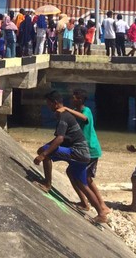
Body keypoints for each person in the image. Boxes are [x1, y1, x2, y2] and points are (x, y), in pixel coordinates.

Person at [33, 90, 108, 223]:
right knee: (80, 181)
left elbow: (60, 139)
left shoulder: (64, 116)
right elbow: (61, 138)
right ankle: (101, 213)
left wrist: (43, 154)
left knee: (47, 153)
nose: (48, 106)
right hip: (83, 152)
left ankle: (47, 184)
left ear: (55, 103)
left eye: (49, 104)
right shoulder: (67, 114)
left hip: (79, 152)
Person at [57, 89, 111, 216]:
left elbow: (84, 118)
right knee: (75, 173)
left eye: (74, 98)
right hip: (83, 149)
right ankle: (85, 202)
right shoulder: (77, 111)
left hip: (90, 149)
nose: (71, 99)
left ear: (80, 99)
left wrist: (67, 109)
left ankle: (100, 205)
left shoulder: (86, 110)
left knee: (85, 178)